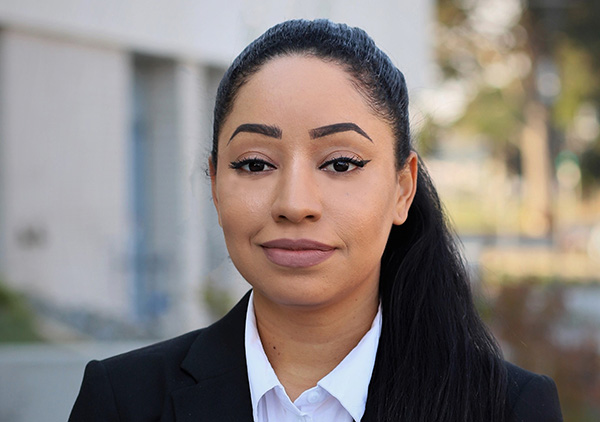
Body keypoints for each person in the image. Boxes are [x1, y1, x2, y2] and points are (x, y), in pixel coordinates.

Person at [69, 19, 563, 422]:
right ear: (215, 184)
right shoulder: (122, 401)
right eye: (256, 163)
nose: (295, 203)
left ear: (402, 188)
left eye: (341, 163)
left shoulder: (507, 408)